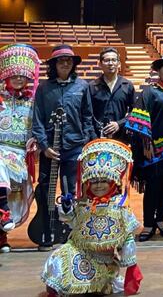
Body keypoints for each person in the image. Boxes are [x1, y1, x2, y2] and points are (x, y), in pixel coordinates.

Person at [41, 138, 142, 296]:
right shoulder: (84, 204)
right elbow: (73, 223)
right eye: (94, 181)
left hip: (103, 261)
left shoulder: (120, 207)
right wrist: (67, 208)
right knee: (60, 256)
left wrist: (132, 268)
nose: (98, 185)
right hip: (79, 250)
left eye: (103, 181)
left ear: (113, 183)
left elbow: (127, 239)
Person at [32, 44, 97, 251]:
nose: (66, 63)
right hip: (49, 148)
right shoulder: (43, 88)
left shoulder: (82, 86)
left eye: (69, 60)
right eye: (61, 60)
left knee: (72, 190)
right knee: (45, 189)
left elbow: (88, 116)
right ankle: (46, 231)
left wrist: (88, 142)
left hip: (74, 146)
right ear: (54, 64)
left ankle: (71, 232)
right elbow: (38, 120)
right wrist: (43, 146)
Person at [125, 51, 163, 242]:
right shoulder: (150, 92)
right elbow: (139, 118)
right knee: (152, 187)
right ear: (158, 71)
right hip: (155, 149)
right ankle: (149, 224)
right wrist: (146, 143)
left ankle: (161, 220)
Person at [0, 44, 40, 252]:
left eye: (22, 76)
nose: (18, 79)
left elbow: (38, 125)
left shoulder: (33, 100)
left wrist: (35, 140)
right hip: (0, 152)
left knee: (14, 197)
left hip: (21, 156)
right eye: (14, 75)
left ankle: (1, 236)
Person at [89, 47, 135, 141]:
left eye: (114, 60)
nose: (110, 63)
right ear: (100, 64)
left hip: (121, 137)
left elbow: (134, 112)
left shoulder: (128, 86)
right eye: (106, 60)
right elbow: (87, 114)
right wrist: (93, 137)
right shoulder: (91, 86)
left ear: (119, 64)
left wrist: (119, 123)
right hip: (97, 137)